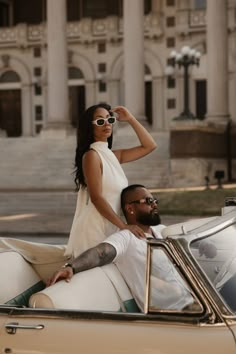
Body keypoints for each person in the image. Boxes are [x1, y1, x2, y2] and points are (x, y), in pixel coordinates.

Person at [48, 185, 194, 312]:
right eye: (149, 201)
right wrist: (71, 267)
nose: (154, 205)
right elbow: (101, 253)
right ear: (130, 208)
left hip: (196, 300)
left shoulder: (161, 231)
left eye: (155, 200)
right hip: (175, 312)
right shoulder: (126, 238)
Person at [66, 104, 157, 258]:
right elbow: (96, 197)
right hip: (94, 228)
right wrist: (124, 226)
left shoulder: (112, 156)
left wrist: (130, 119)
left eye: (110, 119)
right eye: (100, 121)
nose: (107, 124)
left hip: (111, 225)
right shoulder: (91, 156)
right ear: (90, 127)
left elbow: (150, 146)